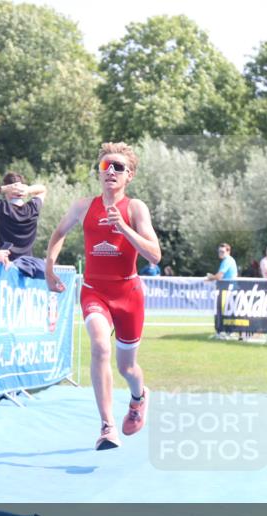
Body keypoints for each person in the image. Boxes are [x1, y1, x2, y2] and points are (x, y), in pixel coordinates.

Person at [45, 142, 161, 450]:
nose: (110, 171)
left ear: (129, 176)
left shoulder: (135, 209)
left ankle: (139, 397)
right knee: (98, 344)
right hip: (94, 290)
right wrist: (49, 266)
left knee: (127, 368)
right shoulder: (83, 206)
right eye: (105, 166)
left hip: (128, 293)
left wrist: (123, 227)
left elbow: (155, 255)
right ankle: (108, 426)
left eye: (118, 167)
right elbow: (58, 233)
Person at [0, 171, 47, 260]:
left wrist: (1, 189)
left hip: (4, 265)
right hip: (26, 265)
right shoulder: (32, 209)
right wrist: (28, 190)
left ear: (7, 189)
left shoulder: (1, 208)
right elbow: (43, 189)